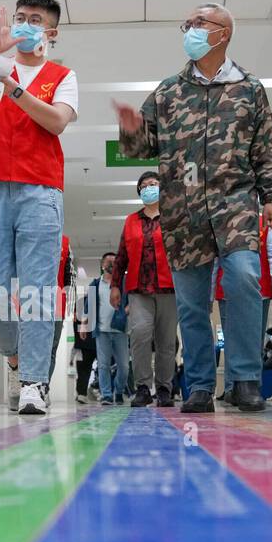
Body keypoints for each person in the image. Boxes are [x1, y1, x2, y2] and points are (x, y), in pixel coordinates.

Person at [113, 3, 272, 414]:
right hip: (183, 209)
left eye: (197, 23)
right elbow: (141, 148)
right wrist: (131, 127)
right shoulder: (169, 90)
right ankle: (200, 386)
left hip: (236, 203)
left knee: (244, 278)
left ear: (222, 33)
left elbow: (267, 147)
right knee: (191, 303)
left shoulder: (249, 88)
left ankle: (244, 380)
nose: (189, 29)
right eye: (186, 23)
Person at [0, 0, 76, 416]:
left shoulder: (62, 75)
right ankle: (16, 353)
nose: (25, 25)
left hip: (40, 190)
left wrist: (14, 87)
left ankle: (34, 384)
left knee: (39, 291)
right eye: (20, 18)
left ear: (51, 31)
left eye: (34, 20)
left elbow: (56, 120)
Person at [111, 172, 178, 407]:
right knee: (139, 336)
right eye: (144, 185)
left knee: (166, 342)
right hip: (139, 288)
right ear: (139, 192)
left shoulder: (173, 216)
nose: (149, 188)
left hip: (169, 287)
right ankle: (142, 387)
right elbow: (121, 255)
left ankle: (164, 389)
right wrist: (114, 286)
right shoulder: (131, 220)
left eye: (154, 184)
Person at [214, 214, 272, 403]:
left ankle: (252, 385)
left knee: (255, 340)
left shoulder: (263, 224)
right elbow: (214, 259)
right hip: (227, 290)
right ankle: (231, 388)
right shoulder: (219, 220)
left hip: (260, 288)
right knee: (230, 341)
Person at [83, 252, 129, 405]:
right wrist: (84, 325)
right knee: (103, 365)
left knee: (124, 366)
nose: (112, 264)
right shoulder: (95, 284)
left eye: (115, 262)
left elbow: (131, 301)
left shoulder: (123, 283)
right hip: (102, 331)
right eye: (109, 261)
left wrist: (127, 309)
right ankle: (107, 395)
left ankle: (119, 391)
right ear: (102, 265)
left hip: (120, 329)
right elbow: (88, 307)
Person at [45, 233, 75, 387]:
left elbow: (69, 275)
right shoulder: (26, 232)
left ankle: (43, 388)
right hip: (29, 301)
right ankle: (27, 384)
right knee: (29, 347)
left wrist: (68, 305)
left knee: (51, 349)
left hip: (57, 303)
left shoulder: (64, 242)